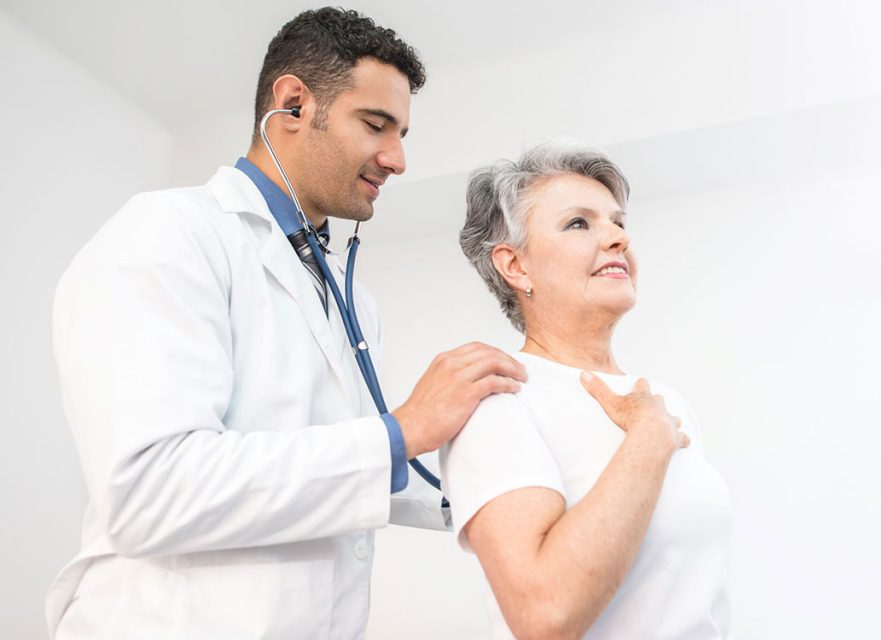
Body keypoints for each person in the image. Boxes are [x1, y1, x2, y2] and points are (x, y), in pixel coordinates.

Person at [45, 7, 526, 639]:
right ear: (293, 104)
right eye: (376, 125)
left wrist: (512, 483)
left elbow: (339, 474)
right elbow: (147, 491)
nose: (398, 158)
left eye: (402, 132)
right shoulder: (168, 234)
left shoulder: (345, 293)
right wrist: (401, 431)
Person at [442, 142, 734, 639]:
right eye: (580, 223)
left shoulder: (666, 402)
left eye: (618, 222)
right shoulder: (498, 400)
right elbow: (545, 614)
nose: (617, 238)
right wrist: (646, 438)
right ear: (515, 265)